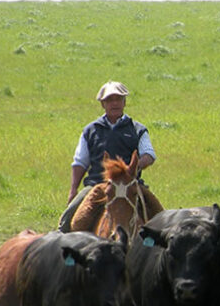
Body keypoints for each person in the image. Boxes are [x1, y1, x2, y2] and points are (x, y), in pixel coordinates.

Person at [58, 81, 157, 232]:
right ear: (102, 104)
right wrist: (73, 189)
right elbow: (80, 162)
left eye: (118, 99)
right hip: (98, 185)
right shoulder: (91, 130)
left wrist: (134, 167)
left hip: (131, 184)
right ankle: (64, 250)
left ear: (125, 102)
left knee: (161, 220)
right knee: (68, 220)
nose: (114, 103)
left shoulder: (138, 129)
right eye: (110, 100)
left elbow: (149, 154)